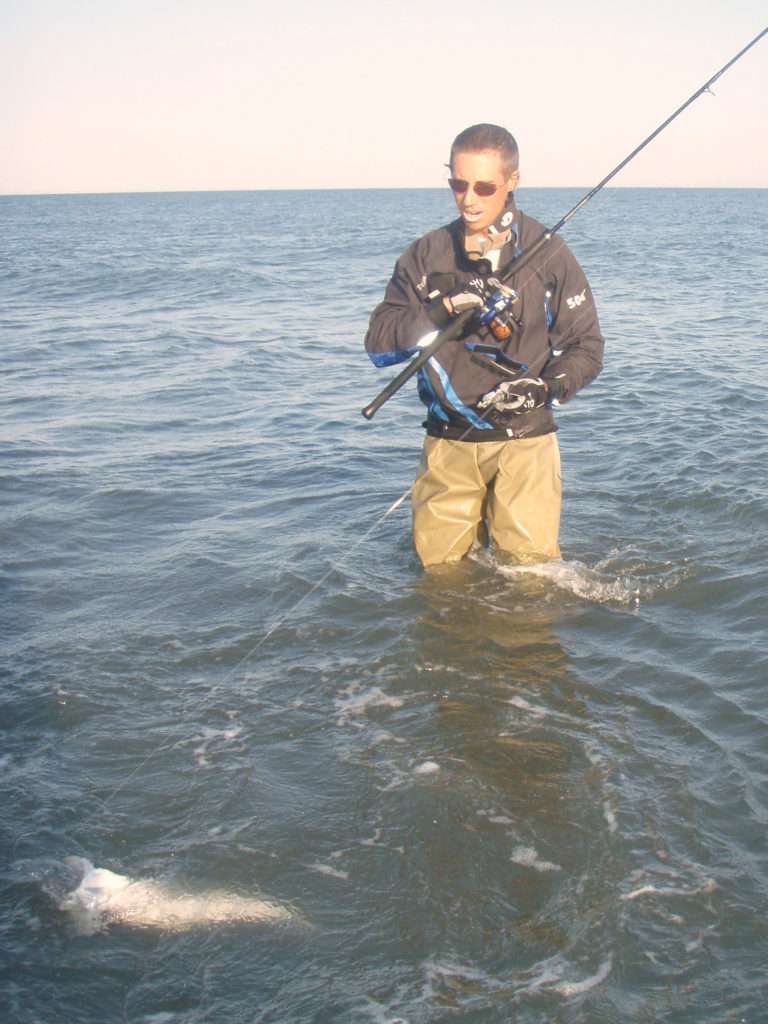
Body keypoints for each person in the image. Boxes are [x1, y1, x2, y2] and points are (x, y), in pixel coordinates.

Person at [364, 123, 604, 568]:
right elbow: (380, 345)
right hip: (447, 442)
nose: (469, 199)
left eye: (484, 186)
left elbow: (586, 347)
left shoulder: (550, 254)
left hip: (527, 443)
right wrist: (443, 309)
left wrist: (547, 389)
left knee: (531, 584)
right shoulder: (425, 255)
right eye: (458, 183)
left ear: (512, 182)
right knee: (441, 585)